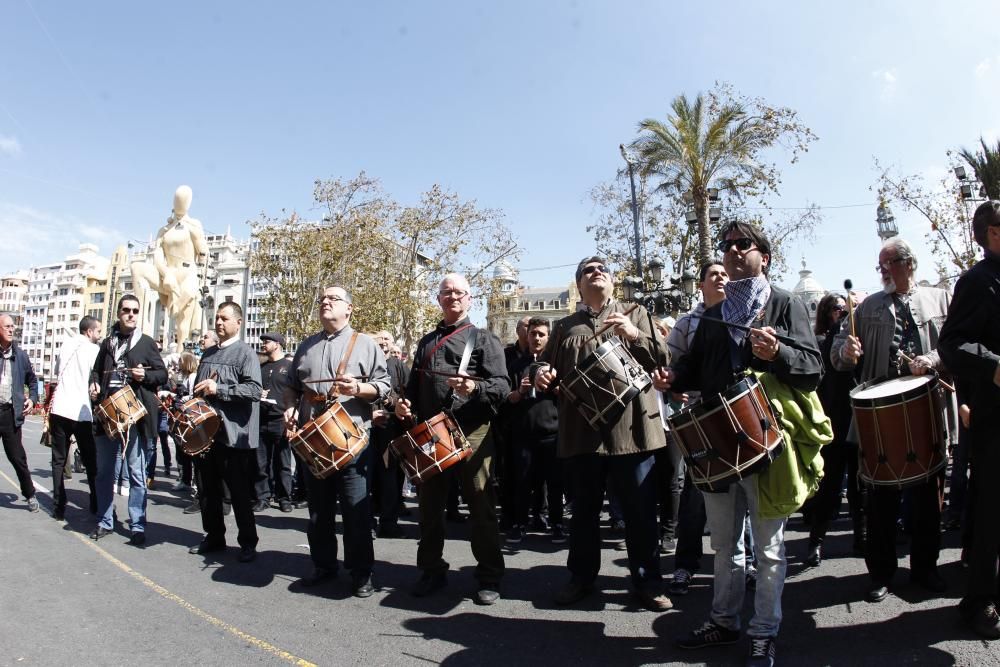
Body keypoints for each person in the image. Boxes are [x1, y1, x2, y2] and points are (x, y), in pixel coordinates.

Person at [655, 223, 822, 666]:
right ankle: (723, 622)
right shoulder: (714, 309)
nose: (731, 252)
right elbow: (694, 367)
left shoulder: (784, 303)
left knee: (767, 550)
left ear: (763, 256)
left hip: (764, 440)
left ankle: (764, 632)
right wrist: (673, 377)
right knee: (726, 547)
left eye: (741, 245)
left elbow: (811, 368)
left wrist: (778, 355)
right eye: (727, 246)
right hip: (717, 442)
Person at [535, 256, 671, 612]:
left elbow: (663, 357)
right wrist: (541, 374)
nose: (596, 273)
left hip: (633, 432)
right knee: (583, 514)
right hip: (582, 435)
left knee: (641, 513)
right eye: (587, 271)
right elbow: (544, 363)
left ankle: (648, 582)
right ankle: (581, 578)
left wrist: (632, 332)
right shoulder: (564, 326)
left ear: (612, 281)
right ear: (578, 285)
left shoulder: (636, 311)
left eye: (602, 270)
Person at [832, 237, 952, 604]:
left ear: (908, 264)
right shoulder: (867, 308)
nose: (882, 271)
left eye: (887, 264)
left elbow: (955, 345)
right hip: (880, 415)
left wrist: (931, 359)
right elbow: (838, 353)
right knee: (881, 502)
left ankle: (925, 568)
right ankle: (880, 574)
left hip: (929, 407)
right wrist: (847, 352)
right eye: (880, 266)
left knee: (928, 501)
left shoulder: (940, 299)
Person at [395, 273, 509, 605]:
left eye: (460, 292)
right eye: (447, 292)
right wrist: (405, 405)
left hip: (473, 431)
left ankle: (489, 575)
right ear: (439, 298)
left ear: (470, 299)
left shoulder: (485, 339)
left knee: (480, 505)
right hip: (433, 432)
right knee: (429, 508)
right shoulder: (426, 342)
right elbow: (414, 390)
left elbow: (502, 386)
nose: (453, 296)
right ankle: (431, 570)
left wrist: (475, 388)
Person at [283, 287, 390, 596]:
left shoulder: (366, 344)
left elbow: (383, 386)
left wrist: (359, 389)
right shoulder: (306, 345)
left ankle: (361, 572)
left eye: (333, 299)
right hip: (314, 441)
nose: (325, 302)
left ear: (349, 309)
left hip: (352, 440)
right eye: (322, 299)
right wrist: (289, 407)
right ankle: (324, 564)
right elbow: (291, 386)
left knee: (356, 512)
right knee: (318, 510)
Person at [938, 200, 1000, 638]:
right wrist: (994, 365)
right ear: (991, 233)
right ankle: (980, 601)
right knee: (993, 515)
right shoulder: (976, 282)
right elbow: (952, 344)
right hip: (996, 418)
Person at [665, 261, 728, 596]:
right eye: (713, 274)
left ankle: (744, 567)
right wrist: (672, 381)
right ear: (700, 285)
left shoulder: (746, 316)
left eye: (725, 274)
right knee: (694, 496)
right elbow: (671, 363)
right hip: (699, 419)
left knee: (744, 492)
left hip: (737, 418)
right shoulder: (687, 323)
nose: (720, 277)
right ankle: (685, 567)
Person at [88, 296, 167, 545]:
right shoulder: (107, 343)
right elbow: (96, 370)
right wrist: (93, 383)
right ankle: (105, 520)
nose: (131, 314)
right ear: (118, 313)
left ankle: (137, 525)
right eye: (126, 310)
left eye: (135, 311)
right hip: (107, 414)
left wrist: (145, 375)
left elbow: (162, 374)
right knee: (104, 473)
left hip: (135, 415)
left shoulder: (145, 343)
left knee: (136, 473)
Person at [188, 302, 262, 563]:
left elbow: (254, 391)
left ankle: (248, 542)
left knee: (239, 492)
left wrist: (219, 390)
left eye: (225, 318)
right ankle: (214, 536)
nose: (219, 323)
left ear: (238, 323)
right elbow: (198, 390)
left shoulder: (246, 354)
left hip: (234, 436)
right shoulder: (207, 354)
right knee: (208, 490)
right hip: (206, 435)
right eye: (217, 318)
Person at [805, 293, 864, 567]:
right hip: (835, 418)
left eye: (845, 308)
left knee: (859, 484)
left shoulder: (858, 333)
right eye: (836, 308)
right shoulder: (820, 341)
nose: (841, 312)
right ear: (826, 313)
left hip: (859, 416)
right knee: (829, 486)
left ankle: (861, 538)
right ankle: (815, 542)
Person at [507, 317, 564, 544]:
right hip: (523, 434)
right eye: (533, 334)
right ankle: (519, 523)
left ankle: (557, 524)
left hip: (552, 433)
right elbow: (508, 399)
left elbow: (567, 393)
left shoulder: (556, 364)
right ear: (526, 336)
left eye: (541, 334)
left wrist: (555, 385)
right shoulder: (516, 366)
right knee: (522, 482)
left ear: (548, 338)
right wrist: (520, 391)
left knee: (555, 483)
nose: (537, 338)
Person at [130, 185, 209, 347]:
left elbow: (203, 253)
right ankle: (140, 326)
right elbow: (157, 255)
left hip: (187, 274)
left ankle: (182, 350)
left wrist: (198, 238)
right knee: (137, 268)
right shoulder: (164, 230)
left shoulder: (194, 225)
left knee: (183, 322)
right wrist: (166, 273)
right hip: (167, 273)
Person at [49, 316, 102, 519]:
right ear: (89, 332)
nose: (99, 336)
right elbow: (95, 377)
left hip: (60, 407)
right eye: (97, 332)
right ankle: (96, 502)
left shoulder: (66, 345)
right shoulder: (93, 350)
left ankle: (58, 506)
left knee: (58, 460)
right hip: (81, 411)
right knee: (90, 460)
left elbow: (57, 370)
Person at [371, 330, 410, 538]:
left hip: (391, 431)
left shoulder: (399, 366)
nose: (383, 342)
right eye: (380, 339)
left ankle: (389, 523)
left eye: (387, 339)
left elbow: (408, 395)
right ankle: (366, 523)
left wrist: (394, 406)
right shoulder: (365, 362)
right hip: (365, 428)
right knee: (365, 477)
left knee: (389, 477)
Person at [0, 313, 40, 512]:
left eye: (12, 327)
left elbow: (33, 381)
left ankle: (30, 494)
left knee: (17, 457)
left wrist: (32, 399)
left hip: (10, 414)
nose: (10, 330)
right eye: (6, 326)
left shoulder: (21, 355)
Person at [254, 332, 294, 513]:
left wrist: (292, 417)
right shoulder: (260, 368)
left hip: (281, 420)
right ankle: (263, 497)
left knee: (283, 462)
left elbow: (297, 393)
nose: (263, 344)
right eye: (262, 341)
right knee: (261, 462)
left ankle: (284, 498)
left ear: (277, 344)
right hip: (262, 419)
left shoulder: (289, 367)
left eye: (267, 341)